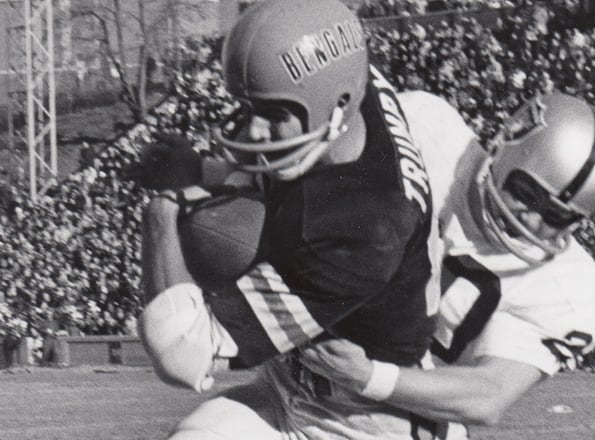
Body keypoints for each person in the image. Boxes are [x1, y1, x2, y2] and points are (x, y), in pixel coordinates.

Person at [138, 0, 437, 438]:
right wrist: (205, 172)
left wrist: (164, 212)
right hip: (294, 384)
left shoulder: (359, 230)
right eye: (249, 107)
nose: (253, 130)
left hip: (363, 420)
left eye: (274, 114)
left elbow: (182, 356)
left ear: (340, 104)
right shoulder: (350, 83)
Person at [301, 92, 595, 438]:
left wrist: (368, 376)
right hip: (292, 380)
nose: (531, 220)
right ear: (507, 142)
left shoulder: (575, 289)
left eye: (556, 216)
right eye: (528, 192)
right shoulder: (424, 128)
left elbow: (489, 394)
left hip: (392, 422)